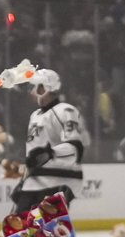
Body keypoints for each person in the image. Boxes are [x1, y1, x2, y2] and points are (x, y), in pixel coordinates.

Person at [11, 67, 87, 215]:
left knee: (43, 227)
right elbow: (34, 154)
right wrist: (25, 179)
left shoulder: (65, 111)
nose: (31, 91)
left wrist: (49, 153)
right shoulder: (35, 115)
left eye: (34, 87)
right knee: (18, 224)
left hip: (57, 179)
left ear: (45, 88)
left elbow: (75, 149)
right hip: (35, 180)